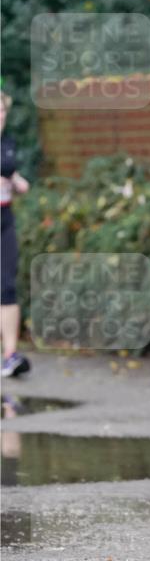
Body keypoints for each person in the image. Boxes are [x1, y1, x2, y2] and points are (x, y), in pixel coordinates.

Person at [1, 90, 31, 378]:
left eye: (1, 111)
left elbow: (12, 176)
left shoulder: (7, 144)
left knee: (7, 286)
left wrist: (19, 183)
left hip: (4, 219)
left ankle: (10, 355)